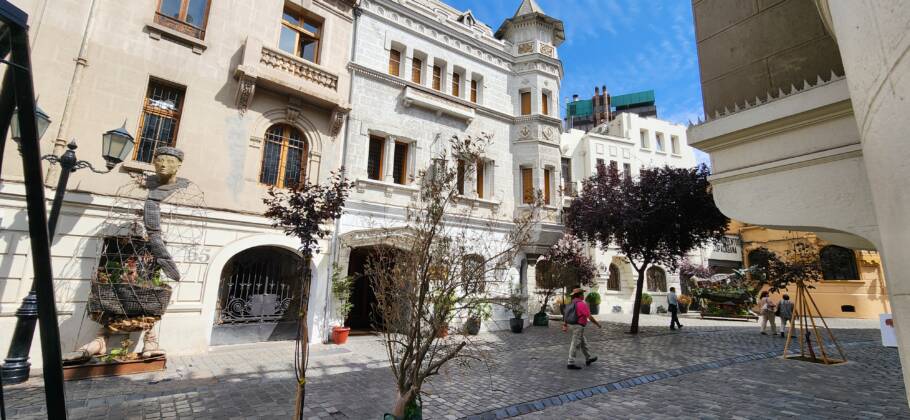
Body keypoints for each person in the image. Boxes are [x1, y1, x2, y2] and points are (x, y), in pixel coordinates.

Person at [562, 288, 602, 369]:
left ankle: (588, 358)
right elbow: (589, 316)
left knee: (583, 342)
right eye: (582, 294)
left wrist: (565, 325)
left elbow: (566, 315)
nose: (583, 295)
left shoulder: (571, 303)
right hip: (578, 326)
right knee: (575, 343)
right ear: (579, 295)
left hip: (573, 325)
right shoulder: (581, 304)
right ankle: (570, 363)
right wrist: (598, 324)